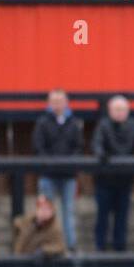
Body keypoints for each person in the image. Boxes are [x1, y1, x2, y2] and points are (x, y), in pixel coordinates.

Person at [91, 95, 134, 252]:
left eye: (123, 109)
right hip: (104, 180)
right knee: (102, 216)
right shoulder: (103, 125)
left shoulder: (133, 125)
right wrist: (101, 155)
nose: (120, 112)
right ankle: (100, 248)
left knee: (122, 216)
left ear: (127, 111)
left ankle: (120, 248)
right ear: (110, 110)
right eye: (117, 109)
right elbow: (96, 144)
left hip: (125, 180)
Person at [33, 89, 84, 252]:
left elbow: (79, 146)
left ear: (66, 102)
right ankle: (45, 245)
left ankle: (70, 245)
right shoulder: (42, 122)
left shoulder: (74, 123)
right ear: (49, 103)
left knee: (68, 211)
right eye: (54, 101)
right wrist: (50, 163)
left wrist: (68, 163)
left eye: (60, 101)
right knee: (45, 212)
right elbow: (38, 146)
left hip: (68, 175)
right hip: (48, 174)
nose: (57, 104)